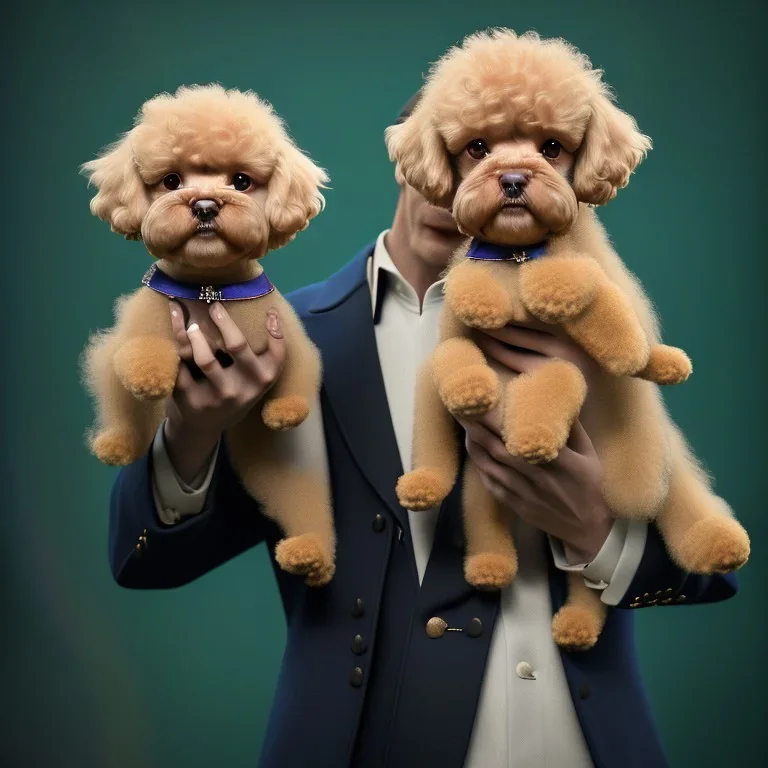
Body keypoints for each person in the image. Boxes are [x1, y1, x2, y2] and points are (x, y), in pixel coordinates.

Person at [108, 93, 738, 768]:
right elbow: (145, 562)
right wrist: (193, 434)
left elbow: (704, 569)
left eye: (531, 152)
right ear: (410, 154)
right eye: (468, 149)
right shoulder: (280, 338)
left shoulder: (591, 319)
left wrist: (598, 532)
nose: (488, 174)